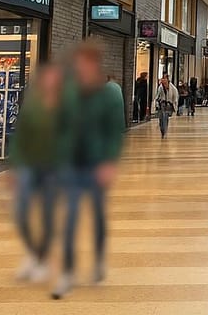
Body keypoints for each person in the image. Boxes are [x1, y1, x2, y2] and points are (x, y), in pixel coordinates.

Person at [54, 41, 125, 299]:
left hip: (96, 164)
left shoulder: (109, 94)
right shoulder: (70, 92)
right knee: (70, 217)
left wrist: (109, 162)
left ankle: (98, 259)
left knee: (96, 216)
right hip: (72, 164)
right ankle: (67, 271)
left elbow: (115, 131)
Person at [9, 63, 64, 283]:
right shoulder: (32, 106)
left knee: (47, 216)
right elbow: (20, 136)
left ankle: (41, 258)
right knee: (21, 213)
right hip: (29, 165)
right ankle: (33, 253)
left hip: (54, 169)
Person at [155, 75, 179, 139]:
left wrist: (174, 105)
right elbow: (157, 96)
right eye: (162, 79)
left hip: (168, 105)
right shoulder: (160, 87)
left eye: (165, 79)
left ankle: (165, 131)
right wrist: (157, 103)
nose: (163, 80)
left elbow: (175, 97)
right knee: (161, 119)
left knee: (165, 117)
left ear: (167, 80)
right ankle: (162, 130)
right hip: (161, 104)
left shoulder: (173, 88)